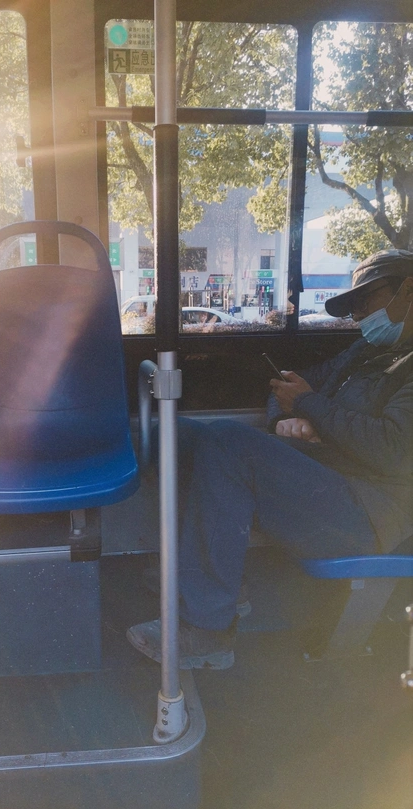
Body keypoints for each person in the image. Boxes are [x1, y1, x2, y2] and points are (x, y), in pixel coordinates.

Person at [127, 249, 413, 670]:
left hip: (371, 510)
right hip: (328, 473)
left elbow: (395, 449)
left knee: (229, 442)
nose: (358, 316)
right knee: (175, 436)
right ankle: (209, 581)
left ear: (408, 289)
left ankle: (206, 630)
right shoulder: (364, 352)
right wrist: (286, 420)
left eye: (365, 301)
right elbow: (291, 384)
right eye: (353, 306)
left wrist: (312, 408)